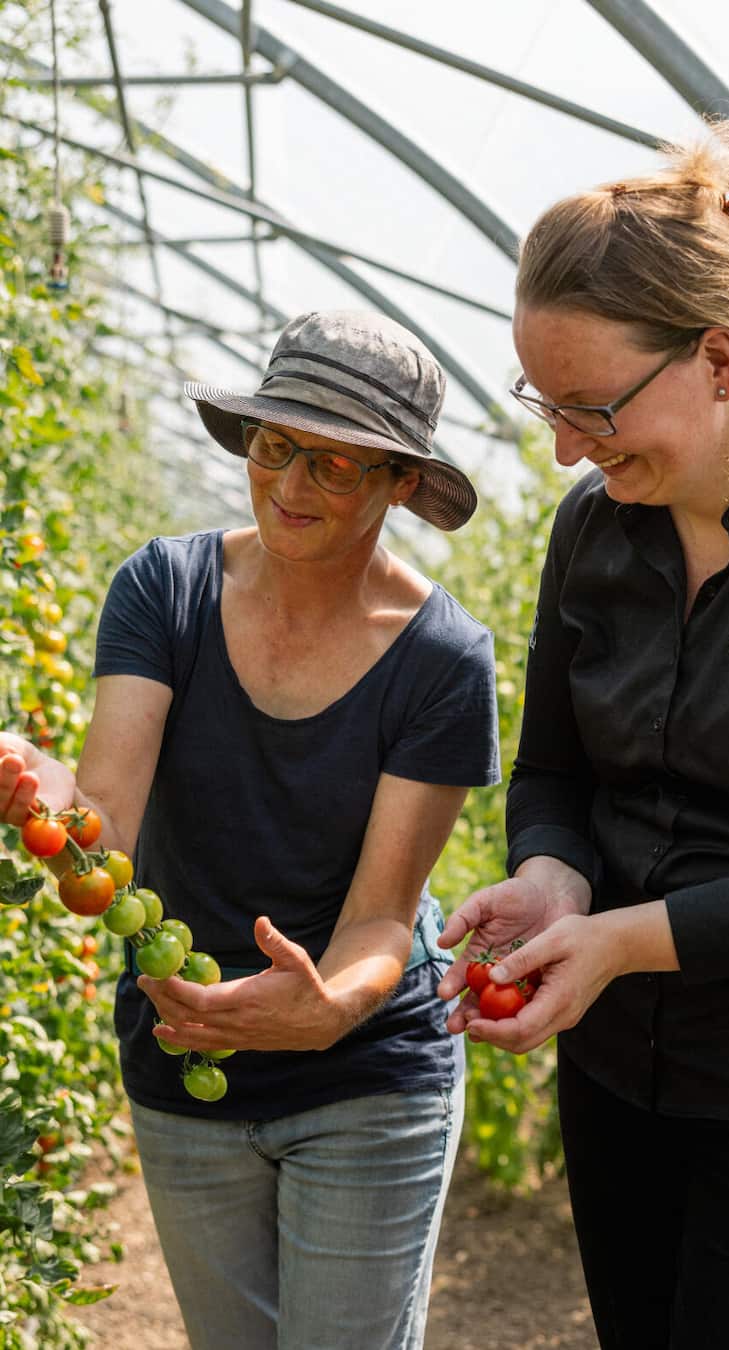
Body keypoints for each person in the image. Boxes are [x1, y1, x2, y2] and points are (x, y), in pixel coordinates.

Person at [436, 122, 729, 1350]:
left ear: (719, 357)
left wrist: (623, 944)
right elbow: (551, 774)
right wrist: (551, 877)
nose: (565, 450)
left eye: (591, 408)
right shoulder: (596, 530)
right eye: (545, 404)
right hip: (619, 1082)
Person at [0, 309, 500, 1350]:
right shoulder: (164, 590)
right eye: (275, 447)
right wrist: (46, 805)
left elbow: (375, 924)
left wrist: (323, 1010)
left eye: (333, 464)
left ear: (400, 484)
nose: (289, 485)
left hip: (366, 1070)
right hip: (185, 1054)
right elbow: (107, 833)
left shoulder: (443, 660)